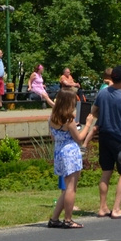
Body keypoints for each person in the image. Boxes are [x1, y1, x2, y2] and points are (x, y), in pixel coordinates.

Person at [90, 65, 121, 219]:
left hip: (104, 136)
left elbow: (94, 111)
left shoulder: (102, 94)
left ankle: (102, 207)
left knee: (106, 172)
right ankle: (116, 208)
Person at [46, 90, 96, 229]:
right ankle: (68, 219)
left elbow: (53, 137)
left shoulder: (52, 118)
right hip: (70, 153)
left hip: (59, 152)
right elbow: (79, 139)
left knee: (66, 188)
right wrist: (87, 124)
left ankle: (54, 218)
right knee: (71, 188)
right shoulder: (69, 120)